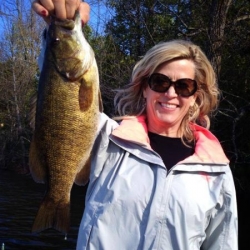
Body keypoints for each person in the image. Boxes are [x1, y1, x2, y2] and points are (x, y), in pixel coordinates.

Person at [32, 1, 238, 249]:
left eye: (184, 86)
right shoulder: (108, 139)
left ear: (196, 95)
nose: (171, 93)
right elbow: (57, 100)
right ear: (144, 87)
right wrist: (56, 27)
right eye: (160, 82)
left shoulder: (217, 171)